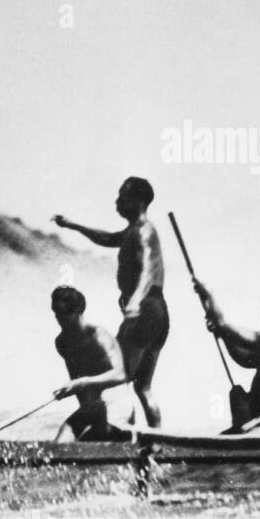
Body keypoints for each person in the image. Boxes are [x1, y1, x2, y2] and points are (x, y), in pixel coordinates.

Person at [52, 177, 169, 426]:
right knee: (143, 387)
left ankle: (128, 437)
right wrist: (73, 225)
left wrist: (135, 300)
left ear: (137, 200)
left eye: (122, 196)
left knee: (120, 375)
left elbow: (149, 267)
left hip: (147, 308)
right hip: (157, 312)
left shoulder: (144, 230)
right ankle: (155, 442)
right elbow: (106, 239)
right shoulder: (132, 231)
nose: (117, 201)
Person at [192, 279, 260, 431]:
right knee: (237, 393)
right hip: (259, 418)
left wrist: (208, 294)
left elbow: (224, 325)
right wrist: (222, 334)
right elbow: (245, 359)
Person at [49, 286, 127, 442]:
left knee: (91, 442)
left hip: (116, 404)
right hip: (92, 406)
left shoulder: (99, 337)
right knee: (59, 445)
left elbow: (121, 375)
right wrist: (69, 390)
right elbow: (78, 382)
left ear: (78, 311)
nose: (59, 320)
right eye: (56, 314)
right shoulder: (62, 342)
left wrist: (80, 383)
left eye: (64, 315)